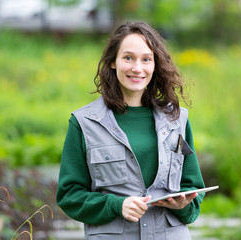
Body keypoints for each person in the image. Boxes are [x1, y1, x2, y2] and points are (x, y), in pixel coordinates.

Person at [56, 21, 205, 240]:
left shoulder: (177, 120)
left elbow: (193, 188)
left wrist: (182, 204)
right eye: (128, 58)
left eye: (146, 59)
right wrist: (116, 205)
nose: (137, 68)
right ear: (113, 62)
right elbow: (69, 195)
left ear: (155, 65)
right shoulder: (84, 122)